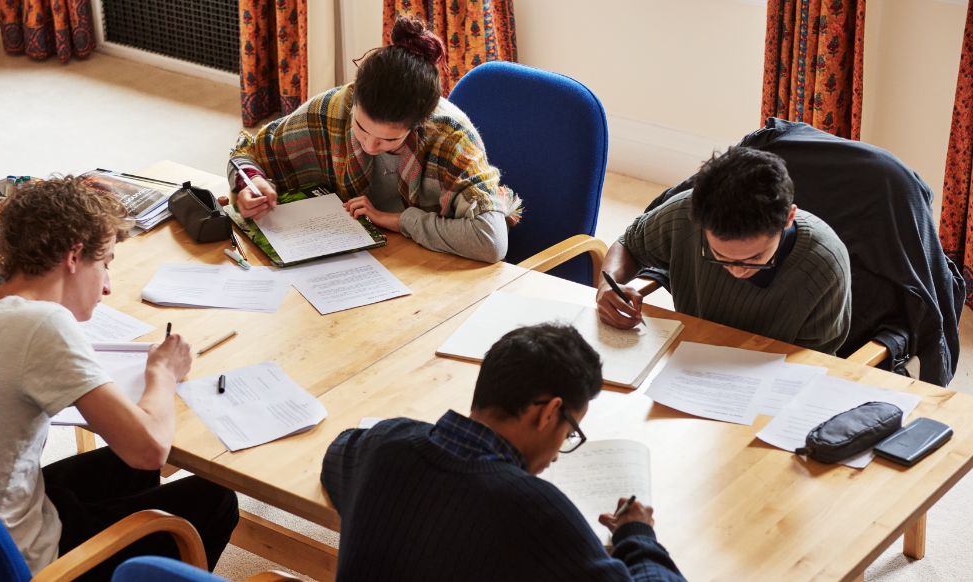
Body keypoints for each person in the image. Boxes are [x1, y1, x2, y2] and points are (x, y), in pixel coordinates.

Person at [0, 177, 238, 580]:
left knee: (125, 471)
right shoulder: (43, 325)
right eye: (106, 263)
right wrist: (162, 373)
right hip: (13, 560)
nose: (109, 286)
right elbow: (150, 450)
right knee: (214, 498)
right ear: (75, 256)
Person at [321, 323, 685, 581]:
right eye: (569, 431)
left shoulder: (385, 442)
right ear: (546, 413)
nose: (557, 454)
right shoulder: (536, 509)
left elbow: (337, 454)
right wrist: (636, 535)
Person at [225, 17, 521, 264]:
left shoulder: (449, 137)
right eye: (361, 128)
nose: (369, 146)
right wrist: (251, 184)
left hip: (425, 265)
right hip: (350, 259)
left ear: (419, 124)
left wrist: (397, 220)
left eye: (388, 140)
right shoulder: (336, 108)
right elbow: (248, 155)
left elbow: (491, 242)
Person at [597, 147, 851, 354]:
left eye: (755, 258)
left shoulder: (824, 264)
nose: (737, 271)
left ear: (788, 218)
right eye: (721, 257)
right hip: (690, 356)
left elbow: (815, 362)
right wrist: (608, 285)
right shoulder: (685, 215)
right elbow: (629, 244)